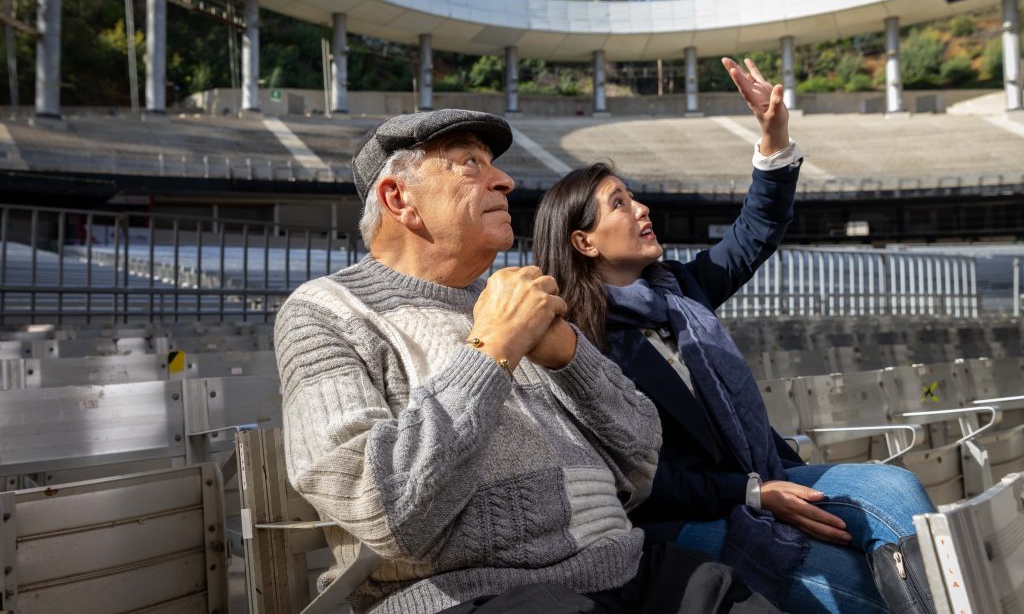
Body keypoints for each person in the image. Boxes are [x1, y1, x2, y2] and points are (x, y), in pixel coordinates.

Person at [275, 108, 783, 614]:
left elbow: (642, 455)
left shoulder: (521, 298)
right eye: (470, 164)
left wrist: (568, 358)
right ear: (398, 199)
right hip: (477, 594)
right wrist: (491, 350)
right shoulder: (325, 313)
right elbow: (384, 509)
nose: (505, 180)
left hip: (624, 567)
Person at [532, 58, 937, 614]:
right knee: (859, 587)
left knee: (896, 493)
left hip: (768, 475)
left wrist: (773, 140)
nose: (642, 208)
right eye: (620, 204)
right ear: (584, 243)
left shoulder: (679, 291)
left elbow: (755, 233)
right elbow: (639, 480)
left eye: (633, 196)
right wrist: (749, 494)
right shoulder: (580, 347)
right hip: (687, 517)